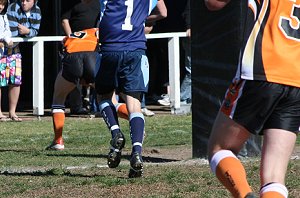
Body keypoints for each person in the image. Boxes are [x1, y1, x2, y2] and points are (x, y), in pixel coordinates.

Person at [205, 0, 300, 197]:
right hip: (296, 77)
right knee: (274, 175)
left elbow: (213, 3)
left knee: (219, 148)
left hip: (262, 69)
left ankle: (244, 194)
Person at [95, 0, 165, 178]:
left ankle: (116, 133)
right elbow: (163, 12)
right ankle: (137, 153)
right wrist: (140, 18)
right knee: (135, 105)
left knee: (104, 96)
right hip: (136, 48)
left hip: (110, 47)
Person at [46, 0, 100, 150]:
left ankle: (58, 141)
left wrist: (71, 39)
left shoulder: (98, 5)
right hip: (92, 51)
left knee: (58, 97)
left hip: (75, 52)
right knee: (110, 99)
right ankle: (133, 121)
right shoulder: (98, 6)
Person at [5, 0, 41, 121]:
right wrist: (27, 30)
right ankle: (0, 113)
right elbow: (14, 32)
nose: (24, 3)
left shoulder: (37, 11)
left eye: (28, 0)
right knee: (1, 81)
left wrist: (28, 31)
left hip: (15, 51)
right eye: (22, 0)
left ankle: (12, 112)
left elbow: (35, 31)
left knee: (16, 80)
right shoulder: (13, 8)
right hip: (4, 49)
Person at [0, 0, 13, 121]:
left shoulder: (4, 17)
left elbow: (6, 31)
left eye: (3, 4)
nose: (1, 6)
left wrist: (8, 39)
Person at [180, 0, 191, 105]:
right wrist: (189, 26)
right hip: (191, 38)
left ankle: (186, 98)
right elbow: (188, 11)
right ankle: (182, 98)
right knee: (191, 71)